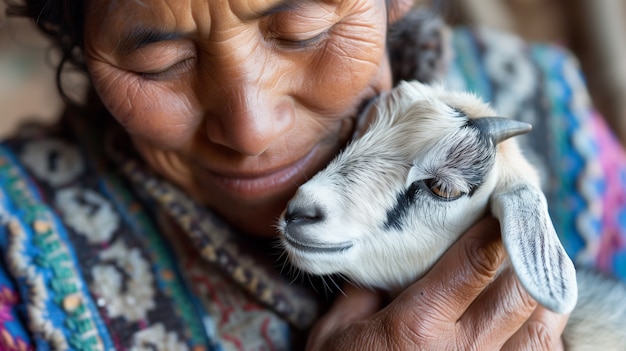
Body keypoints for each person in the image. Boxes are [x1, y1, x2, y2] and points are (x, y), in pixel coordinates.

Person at [1, 0, 625, 350]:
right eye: (160, 63)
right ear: (81, 45)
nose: (252, 129)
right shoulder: (17, 260)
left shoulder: (549, 104)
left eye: (305, 31)